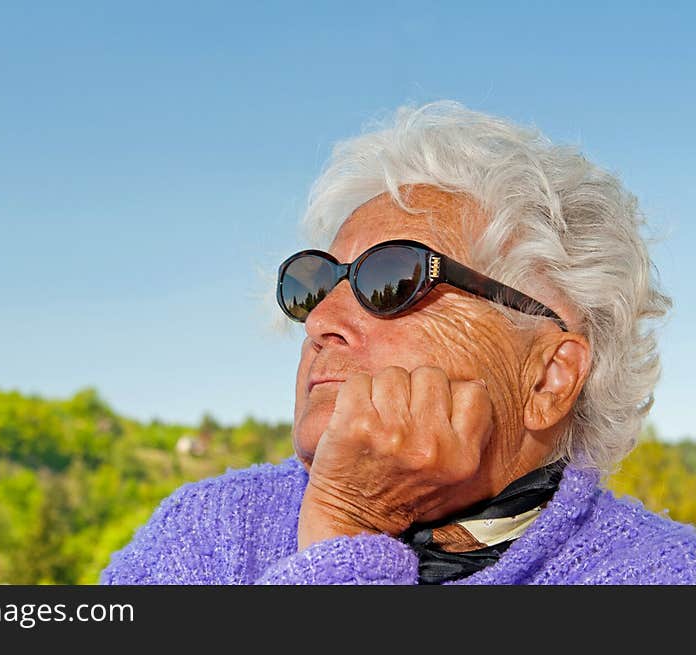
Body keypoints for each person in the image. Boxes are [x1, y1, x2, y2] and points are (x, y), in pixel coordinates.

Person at [100, 101, 696, 584]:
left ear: (547, 377)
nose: (320, 320)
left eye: (391, 279)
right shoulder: (210, 530)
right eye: (313, 285)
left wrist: (348, 533)